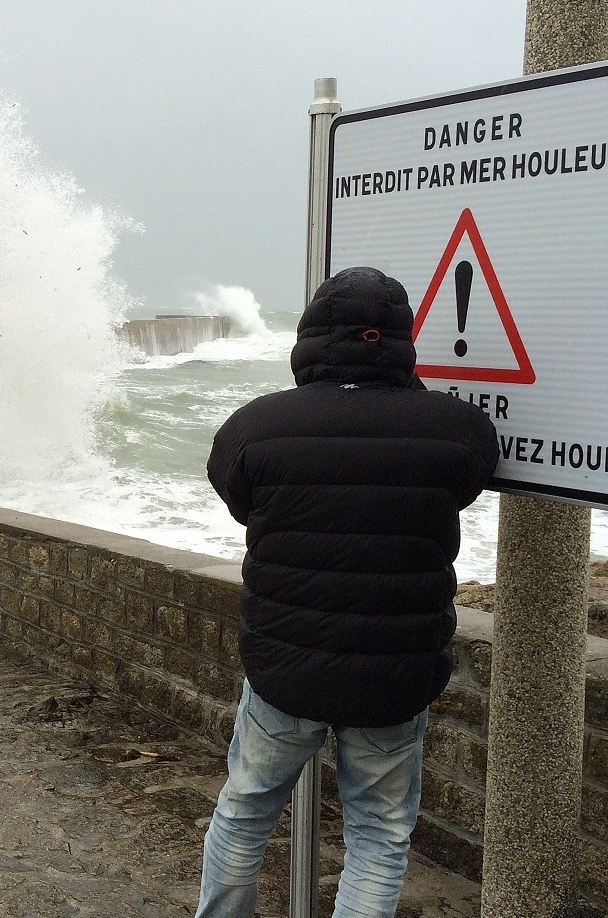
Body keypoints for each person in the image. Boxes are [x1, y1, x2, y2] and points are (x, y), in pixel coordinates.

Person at [198, 266, 498, 918]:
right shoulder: (455, 430)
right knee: (379, 836)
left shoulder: (255, 429)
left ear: (310, 337)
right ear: (399, 339)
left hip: (285, 673)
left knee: (245, 812)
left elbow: (238, 497)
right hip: (393, 680)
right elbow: (469, 479)